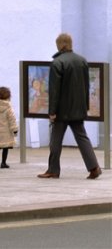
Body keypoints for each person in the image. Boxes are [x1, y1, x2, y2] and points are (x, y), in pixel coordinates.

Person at [38, 33, 102, 180]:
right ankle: (94, 167)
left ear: (61, 45)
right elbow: (86, 85)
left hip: (62, 110)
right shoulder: (82, 61)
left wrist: (52, 111)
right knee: (82, 138)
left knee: (55, 140)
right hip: (78, 109)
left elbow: (55, 90)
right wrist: (85, 106)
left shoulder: (57, 63)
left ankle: (53, 170)